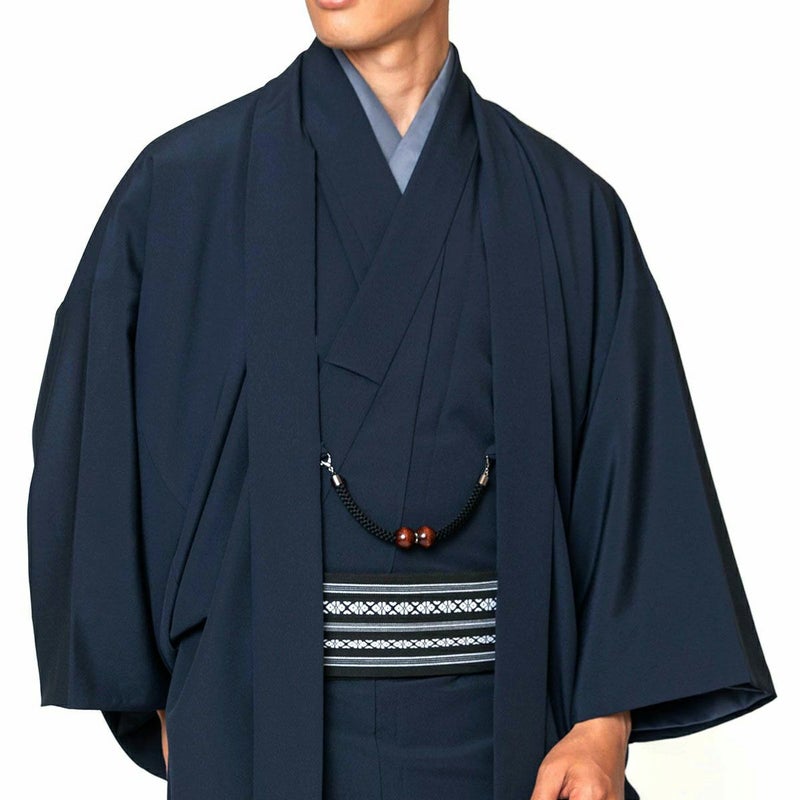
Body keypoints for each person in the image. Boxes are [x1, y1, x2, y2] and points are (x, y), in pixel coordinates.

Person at [26, 1, 777, 799]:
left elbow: (639, 493)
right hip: (256, 739)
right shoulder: (180, 193)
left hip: (512, 751)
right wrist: (174, 704)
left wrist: (601, 729)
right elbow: (93, 457)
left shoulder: (569, 210)